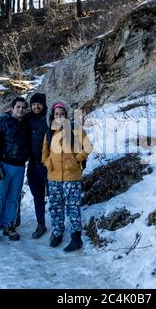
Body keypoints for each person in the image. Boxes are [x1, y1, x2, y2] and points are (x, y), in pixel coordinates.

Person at [42, 102, 93, 252]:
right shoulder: (49, 132)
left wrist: (76, 159)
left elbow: (88, 147)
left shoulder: (76, 129)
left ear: (66, 115)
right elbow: (44, 151)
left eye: (62, 114)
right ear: (53, 115)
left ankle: (76, 238)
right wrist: (47, 163)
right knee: (56, 206)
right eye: (56, 114)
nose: (59, 117)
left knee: (73, 206)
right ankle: (57, 232)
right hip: (53, 177)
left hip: (72, 176)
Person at [0, 97, 30, 241]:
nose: (21, 109)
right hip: (4, 165)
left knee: (13, 198)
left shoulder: (26, 124)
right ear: (12, 108)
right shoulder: (2, 122)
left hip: (19, 167)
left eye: (24, 107)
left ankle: (9, 225)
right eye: (18, 107)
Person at [24, 92, 49, 238]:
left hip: (49, 165)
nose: (36, 106)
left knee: (54, 195)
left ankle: (60, 225)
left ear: (44, 104)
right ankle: (41, 224)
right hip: (33, 165)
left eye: (39, 104)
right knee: (37, 196)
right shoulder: (27, 120)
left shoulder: (49, 118)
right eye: (33, 104)